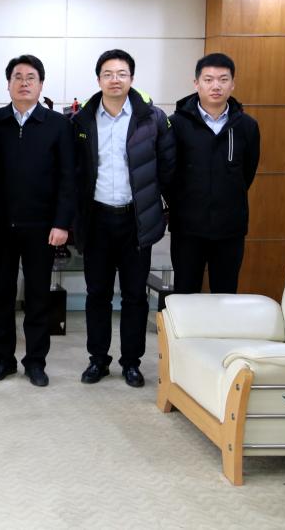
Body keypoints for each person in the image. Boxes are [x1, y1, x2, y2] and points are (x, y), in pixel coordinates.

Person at [71, 49, 175, 388]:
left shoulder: (152, 118)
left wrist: (163, 210)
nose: (115, 80)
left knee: (134, 295)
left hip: (136, 220)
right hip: (97, 219)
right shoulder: (82, 120)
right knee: (97, 294)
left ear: (131, 78)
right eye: (108, 74)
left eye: (121, 73)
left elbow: (168, 168)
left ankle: (131, 362)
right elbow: (74, 173)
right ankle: (98, 359)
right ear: (98, 79)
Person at [0, 55, 75, 387]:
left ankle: (35, 362)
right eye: (18, 77)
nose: (24, 83)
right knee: (1, 296)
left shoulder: (57, 125)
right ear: (8, 83)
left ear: (41, 84)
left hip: (43, 227)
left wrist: (62, 223)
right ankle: (3, 360)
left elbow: (68, 178)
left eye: (31, 77)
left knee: (38, 296)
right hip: (0, 227)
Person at [167, 52, 260, 295]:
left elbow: (247, 173)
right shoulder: (175, 124)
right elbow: (167, 174)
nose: (216, 86)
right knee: (186, 293)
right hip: (187, 228)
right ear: (196, 83)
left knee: (225, 294)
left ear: (233, 84)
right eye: (208, 79)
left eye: (223, 79)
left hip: (230, 228)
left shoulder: (247, 126)